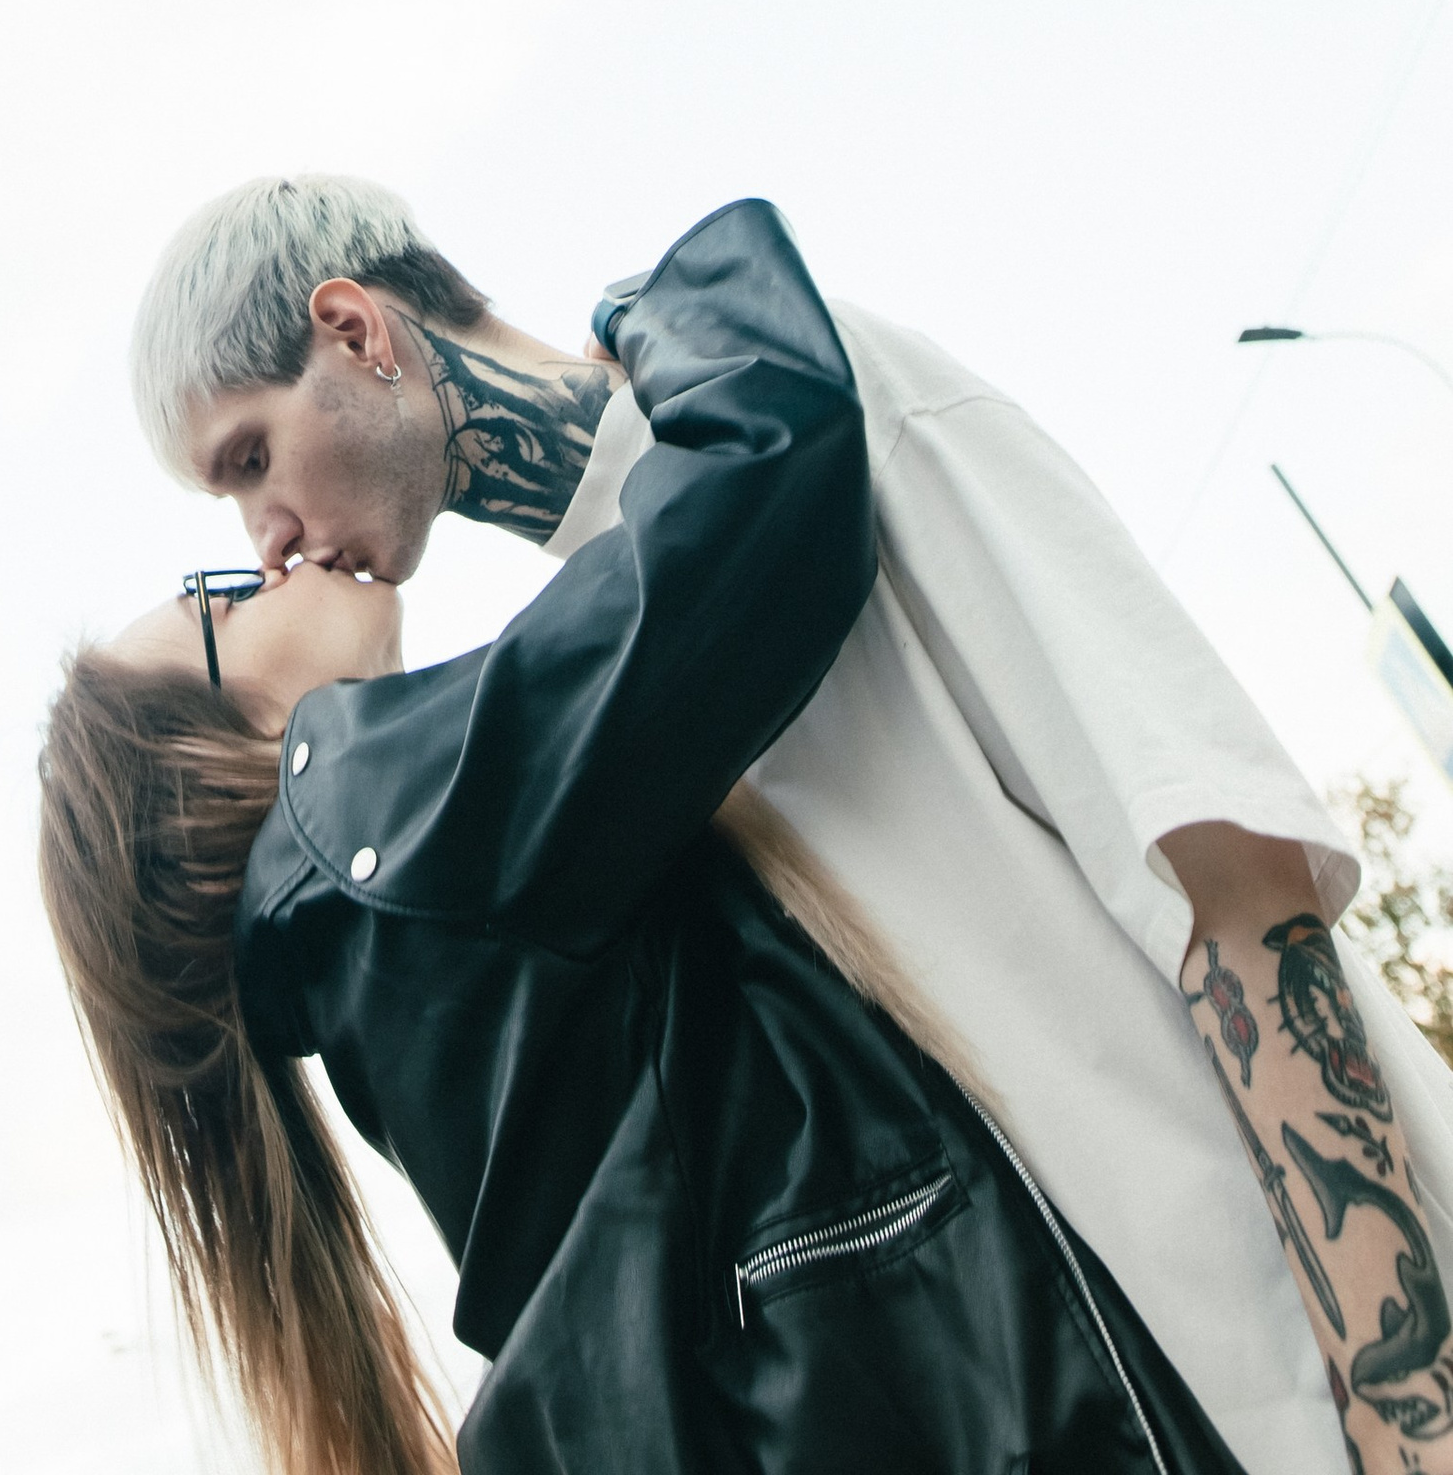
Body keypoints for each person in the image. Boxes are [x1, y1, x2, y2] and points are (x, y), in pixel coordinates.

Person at [112, 175, 1453, 1475]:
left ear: (353, 332)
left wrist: (1410, 1416)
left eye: (249, 458)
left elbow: (1229, 878)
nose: (267, 537)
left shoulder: (842, 398)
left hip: (1318, 1375)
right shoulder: (598, 692)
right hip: (1142, 1407)